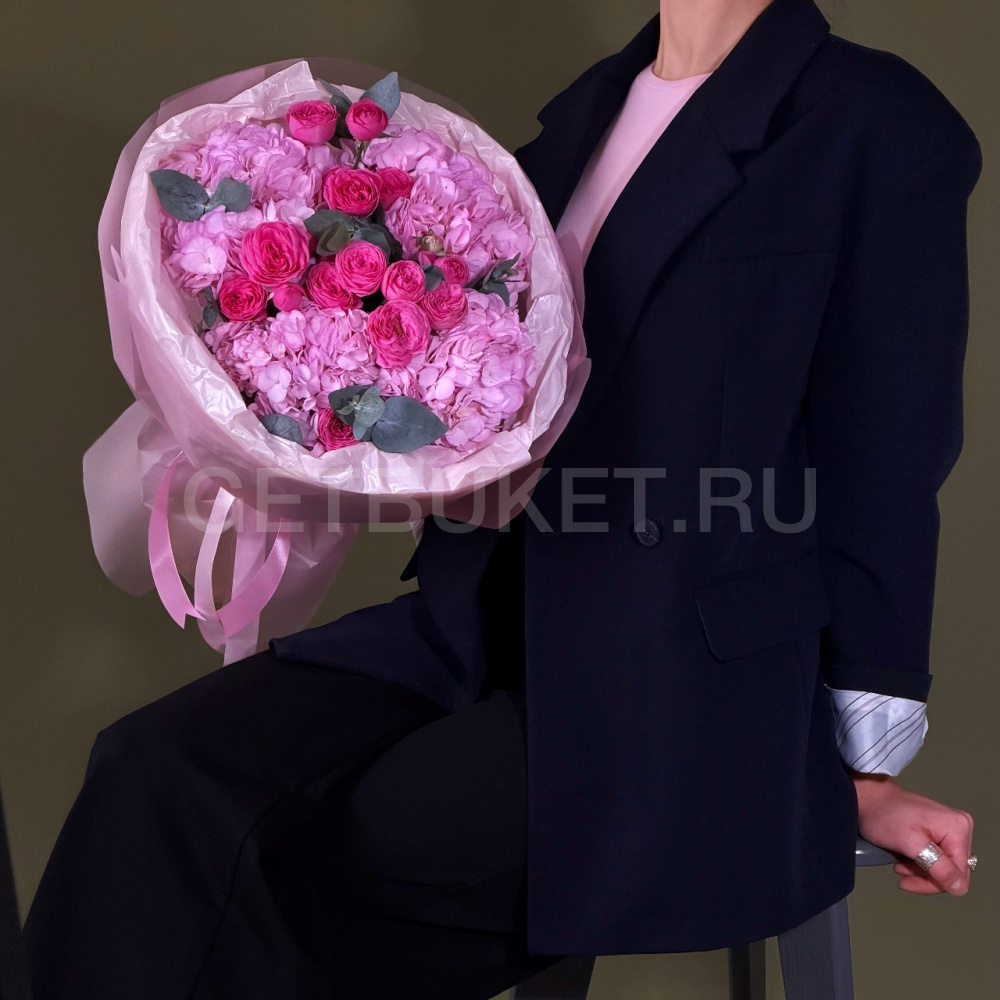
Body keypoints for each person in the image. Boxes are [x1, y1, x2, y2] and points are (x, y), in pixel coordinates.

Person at [22, 0, 982, 996]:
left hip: (678, 681)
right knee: (152, 770)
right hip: (476, 623)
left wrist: (856, 766)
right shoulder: (585, 113)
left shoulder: (876, 121)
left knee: (339, 852)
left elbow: (888, 452)